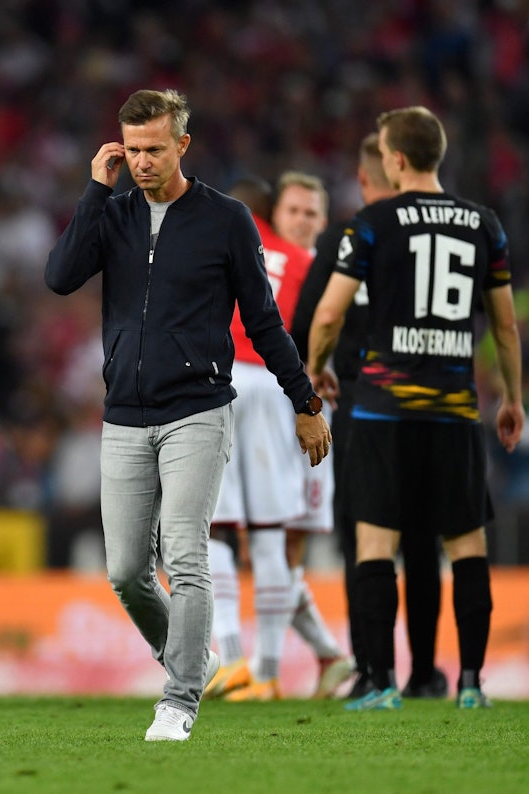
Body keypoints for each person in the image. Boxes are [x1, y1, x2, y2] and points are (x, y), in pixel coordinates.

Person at [44, 88, 331, 741]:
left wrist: (304, 401)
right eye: (132, 149)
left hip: (198, 412)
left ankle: (178, 699)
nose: (142, 162)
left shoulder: (225, 219)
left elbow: (262, 320)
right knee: (124, 572)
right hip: (122, 416)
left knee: (186, 553)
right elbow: (60, 276)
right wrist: (94, 191)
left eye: (153, 148)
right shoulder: (111, 215)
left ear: (181, 145)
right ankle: (190, 655)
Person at [307, 105, 523, 710]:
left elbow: (327, 313)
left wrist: (318, 366)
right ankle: (472, 683)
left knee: (376, 544)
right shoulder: (485, 223)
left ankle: (380, 684)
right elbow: (504, 327)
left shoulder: (374, 221)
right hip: (455, 412)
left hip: (382, 410)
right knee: (466, 546)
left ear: (395, 159)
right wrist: (512, 397)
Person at [290, 134, 447, 700]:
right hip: (433, 405)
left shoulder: (344, 237)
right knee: (425, 540)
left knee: (365, 540)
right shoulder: (437, 233)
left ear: (362, 178)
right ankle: (426, 673)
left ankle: (371, 670)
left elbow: (308, 320)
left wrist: (317, 368)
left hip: (360, 405)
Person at [204, 176, 312, 703]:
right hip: (276, 382)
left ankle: (233, 659)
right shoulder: (300, 258)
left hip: (224, 382)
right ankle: (269, 673)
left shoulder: (216, 238)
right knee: (269, 533)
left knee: (216, 529)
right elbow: (316, 327)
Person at [271, 171, 356, 698]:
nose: (302, 220)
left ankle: (264, 668)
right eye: (293, 211)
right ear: (276, 217)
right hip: (257, 412)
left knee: (287, 542)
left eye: (311, 213)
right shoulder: (260, 268)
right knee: (258, 542)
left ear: (324, 223)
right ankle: (325, 655)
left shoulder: (333, 278)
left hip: (309, 419)